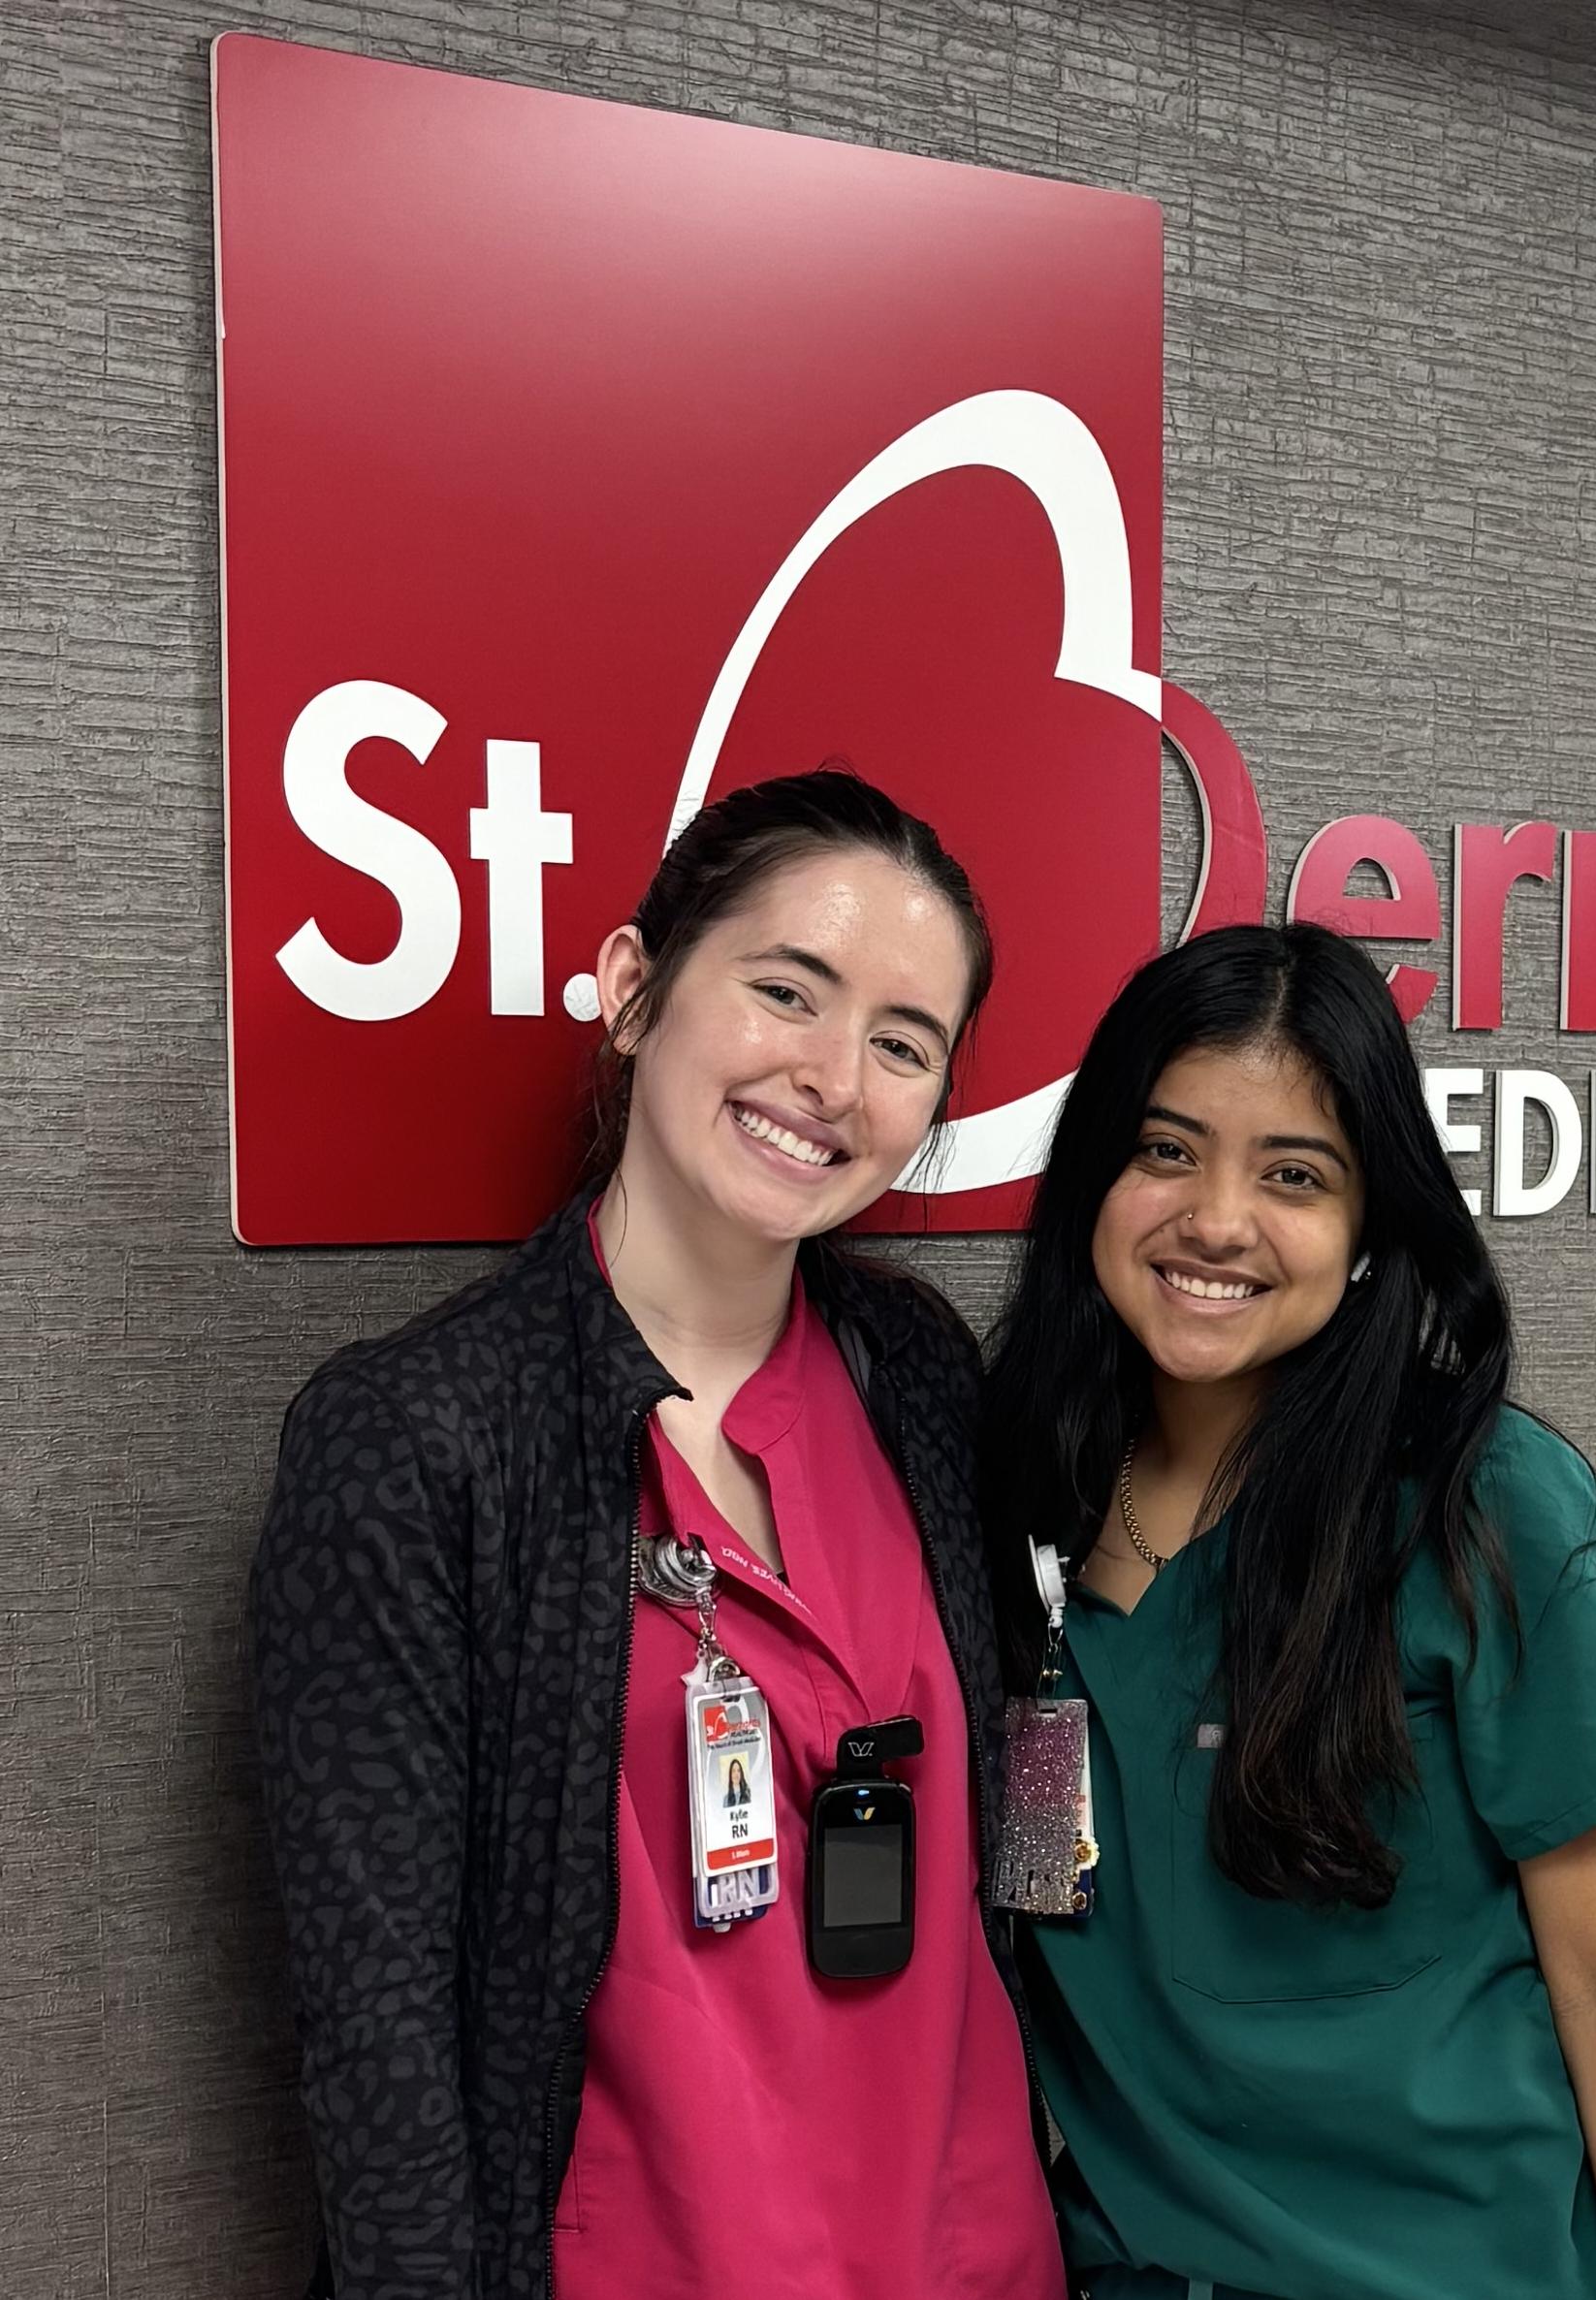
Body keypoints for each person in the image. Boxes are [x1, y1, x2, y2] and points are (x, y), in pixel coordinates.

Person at [251, 768, 1064, 2300]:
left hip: (971, 2247)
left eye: (902, 1044)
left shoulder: (920, 1380)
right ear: (634, 989)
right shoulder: (421, 1438)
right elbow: (376, 2031)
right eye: (786, 991)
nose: (833, 1078)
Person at [981, 922, 1596, 2300]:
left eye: (1294, 1175)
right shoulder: (1011, 1487)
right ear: (1092, 1174)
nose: (1216, 1220)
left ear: (1373, 1225)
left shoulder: (1482, 1508)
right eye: (1165, 1150)